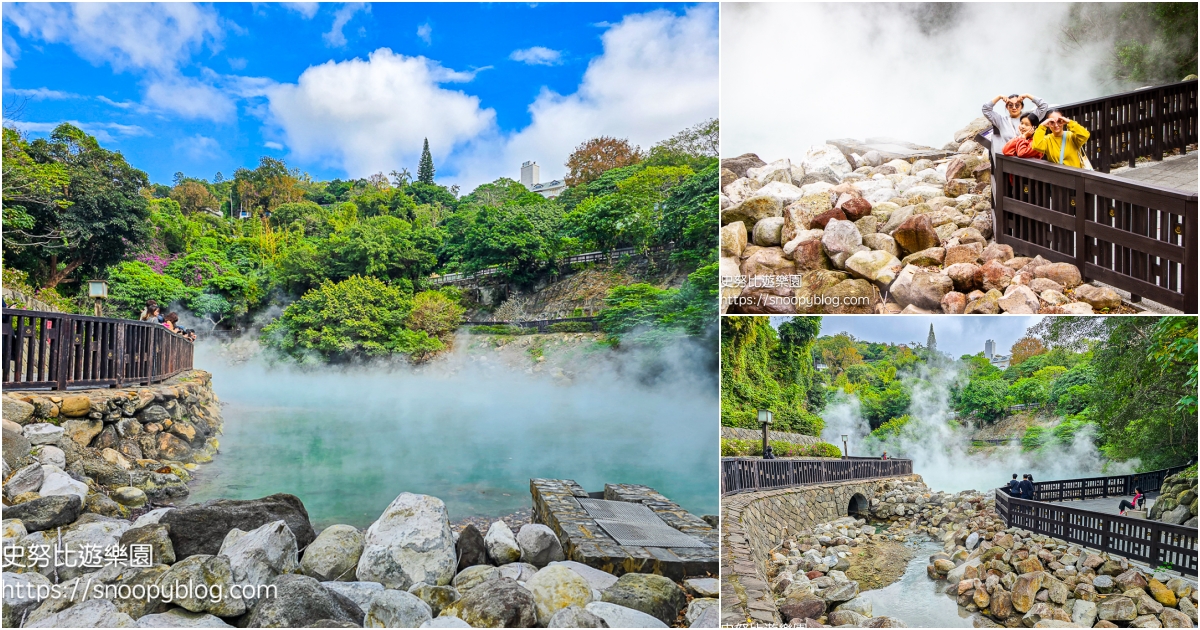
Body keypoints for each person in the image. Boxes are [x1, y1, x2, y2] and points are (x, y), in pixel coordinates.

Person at [983, 93, 1050, 157]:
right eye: (1011, 105)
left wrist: (1027, 95)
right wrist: (999, 97)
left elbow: (1043, 106)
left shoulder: (1030, 118)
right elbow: (986, 109)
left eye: (1017, 105)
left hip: (1029, 157)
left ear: (1022, 106)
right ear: (1007, 107)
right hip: (1010, 157)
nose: (1014, 108)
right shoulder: (1001, 121)